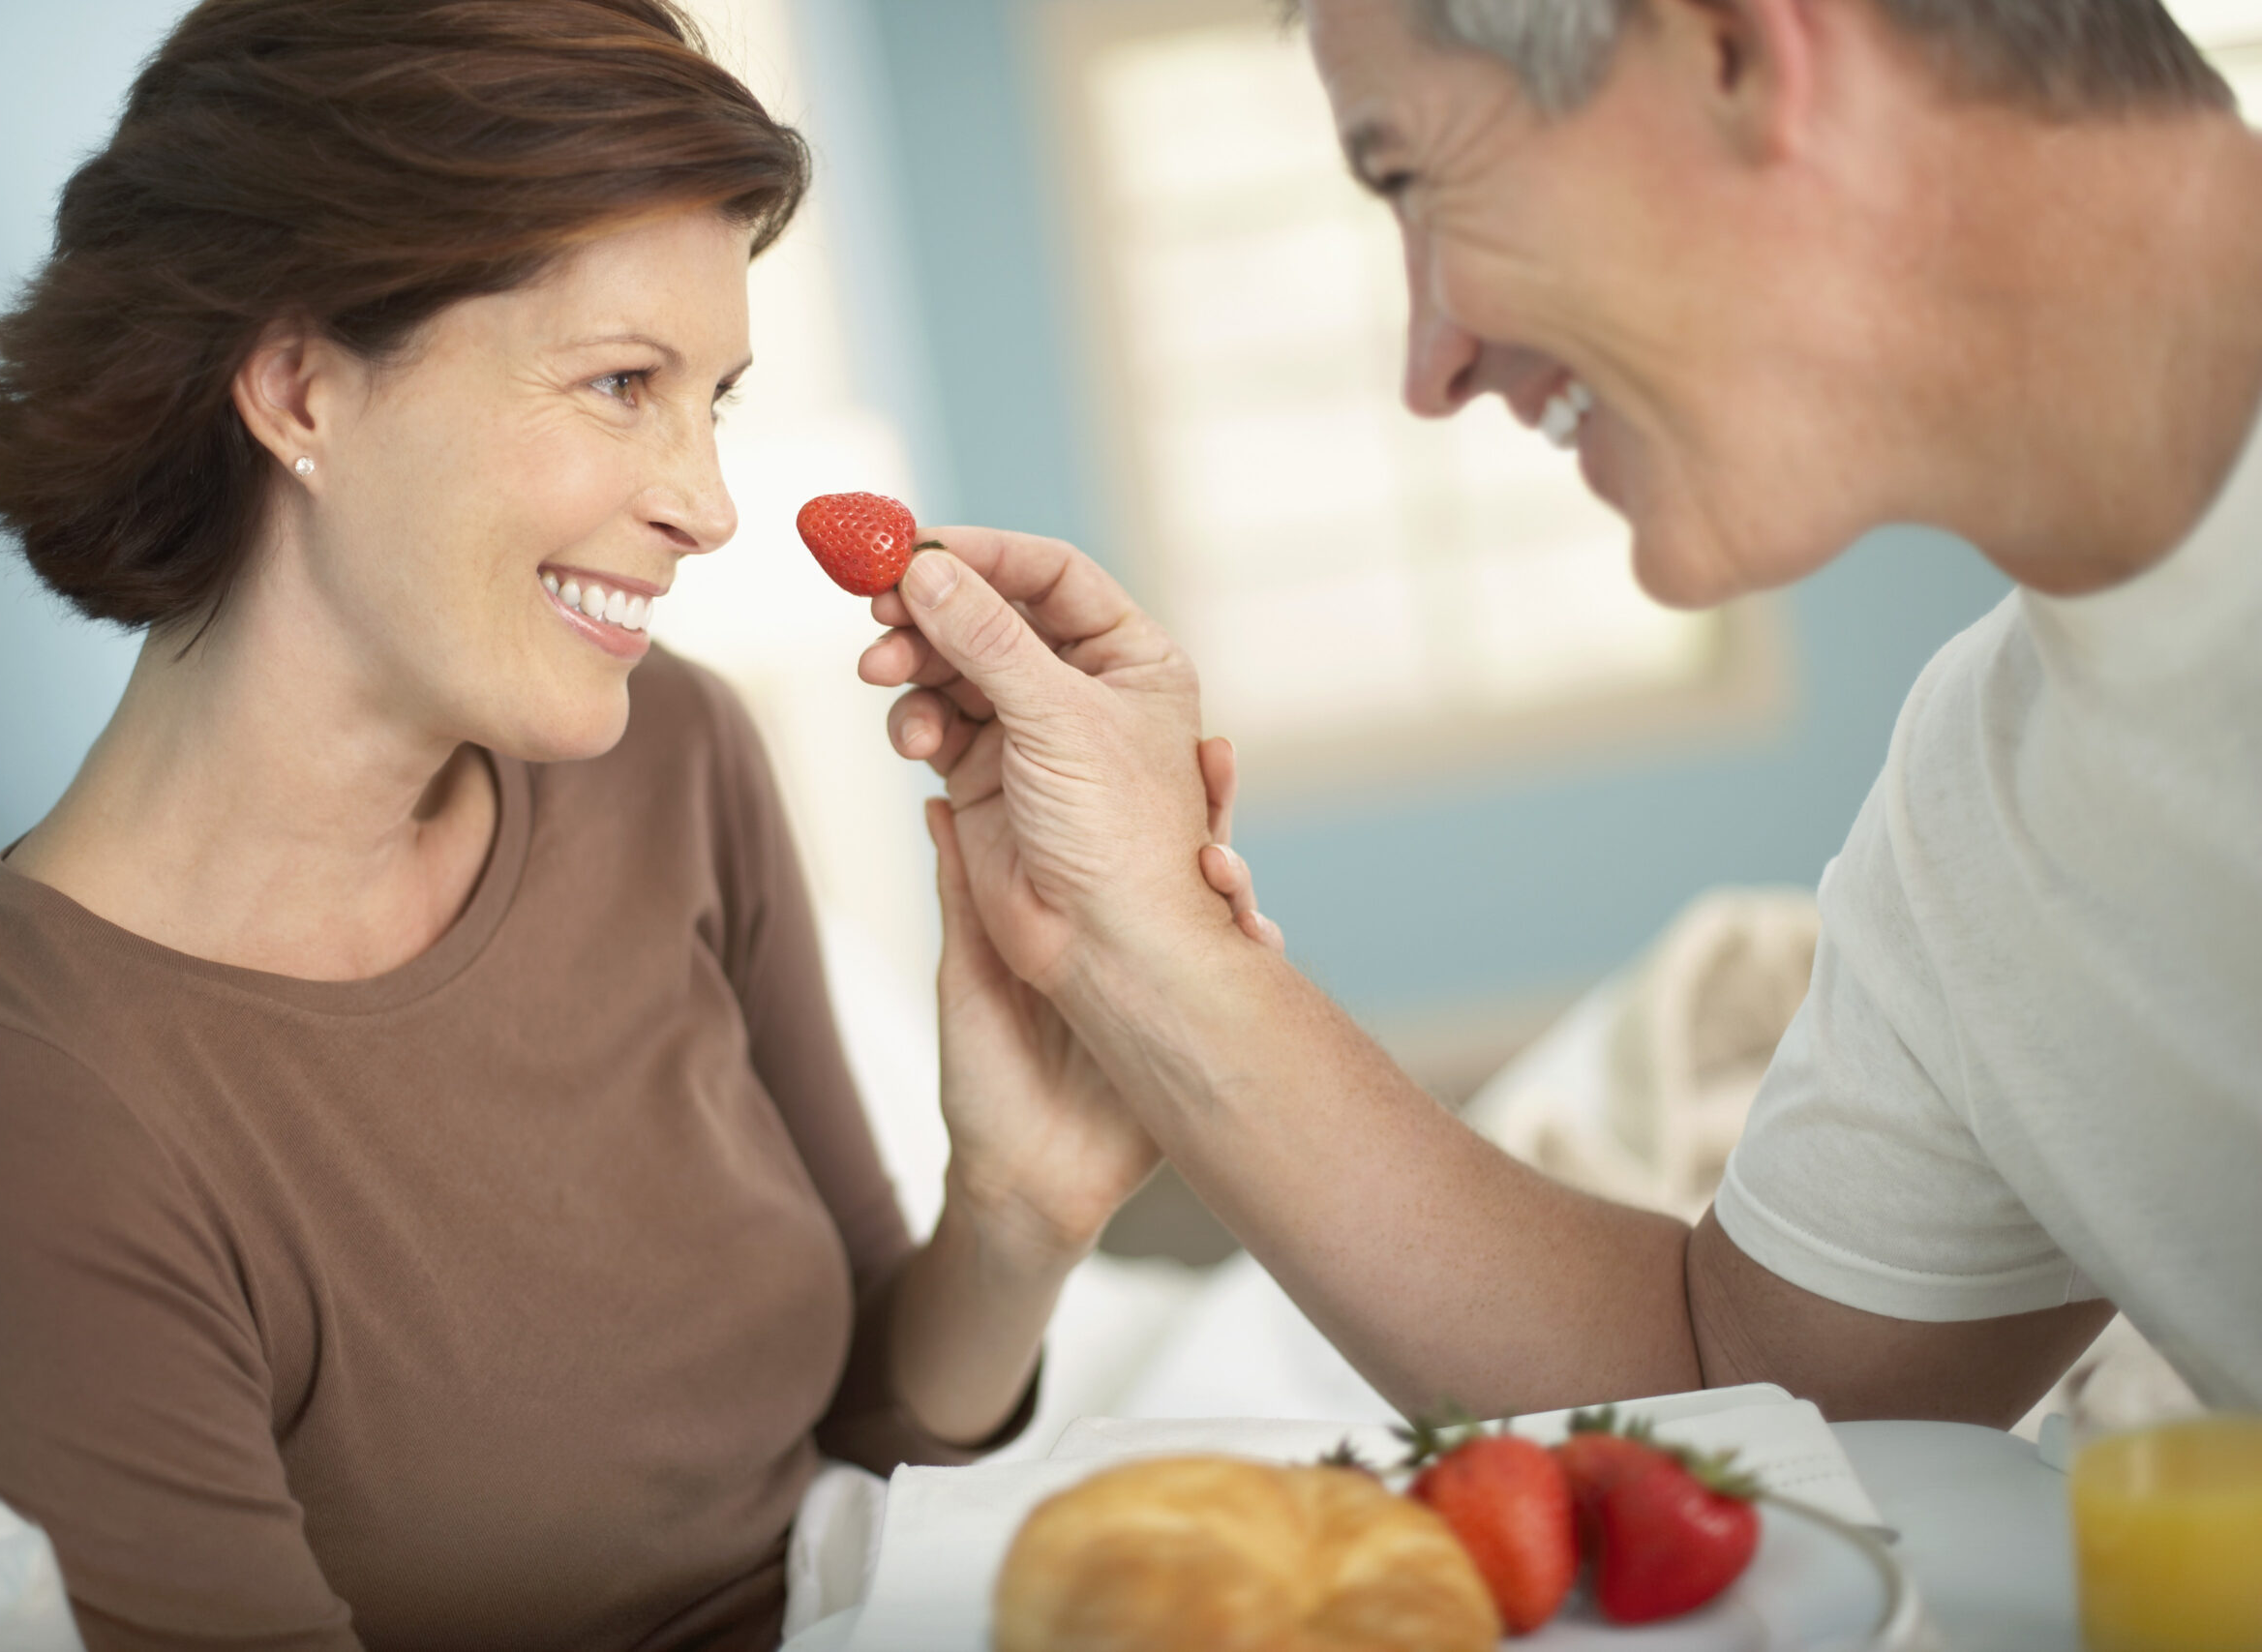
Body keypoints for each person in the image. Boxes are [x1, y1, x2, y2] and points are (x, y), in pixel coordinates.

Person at [0, 3, 1193, 1646]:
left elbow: (862, 1442)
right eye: (623, 384)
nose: (709, 502)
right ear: (301, 387)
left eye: (716, 400)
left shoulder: (670, 755)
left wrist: (1019, 1212)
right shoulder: (13, 1125)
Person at [861, 0, 2262, 1426]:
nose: (1433, 369)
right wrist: (1135, 933)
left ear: (1729, 50)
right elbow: (1737, 1388)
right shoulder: (1987, 803)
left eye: (1413, 175)